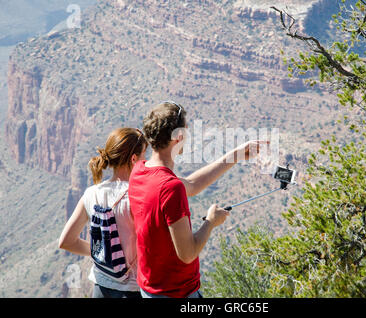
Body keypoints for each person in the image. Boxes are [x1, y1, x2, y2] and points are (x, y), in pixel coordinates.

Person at [128, 101, 268, 298]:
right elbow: (187, 254)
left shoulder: (140, 170)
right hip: (177, 293)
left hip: (149, 288)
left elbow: (192, 185)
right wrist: (211, 222)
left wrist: (235, 155)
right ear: (178, 137)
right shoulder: (170, 187)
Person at [58, 127, 148, 298]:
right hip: (132, 290)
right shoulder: (139, 196)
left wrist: (103, 253)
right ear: (134, 158)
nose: (146, 159)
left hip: (100, 287)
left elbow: (66, 241)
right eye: (144, 154)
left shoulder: (91, 193)